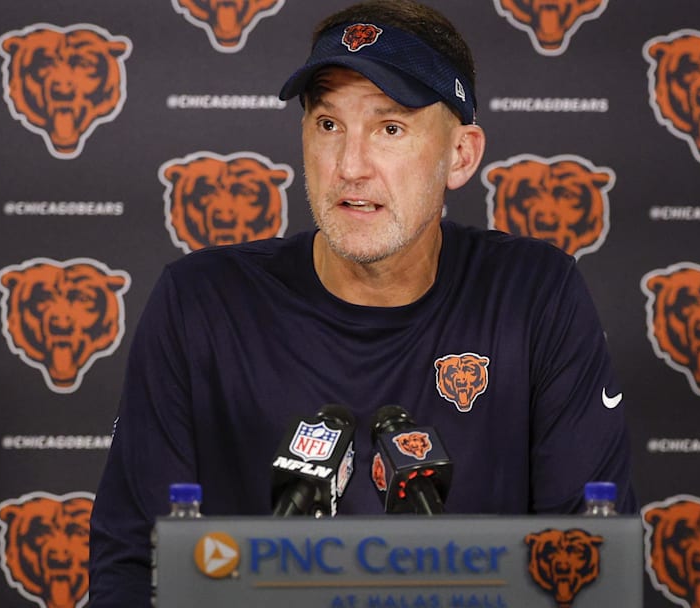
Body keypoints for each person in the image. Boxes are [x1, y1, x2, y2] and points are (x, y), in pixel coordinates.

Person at [89, 0, 635, 604]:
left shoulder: (534, 294)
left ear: (460, 155)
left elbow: (591, 563)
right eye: (328, 124)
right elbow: (132, 563)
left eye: (389, 128)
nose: (349, 167)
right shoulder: (201, 302)